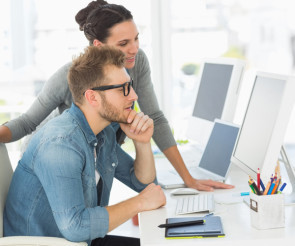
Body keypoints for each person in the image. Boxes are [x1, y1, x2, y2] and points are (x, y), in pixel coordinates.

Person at [0, 0, 233, 191]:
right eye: (123, 43)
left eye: (136, 38)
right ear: (99, 46)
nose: (134, 49)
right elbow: (27, 123)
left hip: (101, 149)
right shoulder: (68, 77)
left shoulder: (136, 60)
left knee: (149, 190)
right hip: (56, 158)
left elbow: (156, 118)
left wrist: (188, 178)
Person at [4, 45, 166, 246]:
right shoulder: (61, 143)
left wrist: (142, 142)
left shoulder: (102, 132)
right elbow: (75, 226)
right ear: (92, 97)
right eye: (123, 89)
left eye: (130, 85)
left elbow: (143, 183)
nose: (134, 96)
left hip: (82, 240)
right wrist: (140, 203)